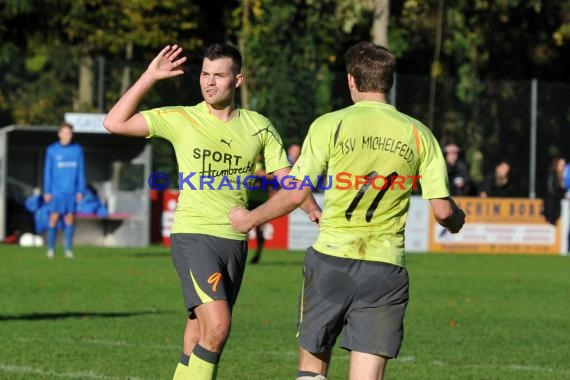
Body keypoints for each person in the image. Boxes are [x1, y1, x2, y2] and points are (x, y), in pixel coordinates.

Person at [229, 42, 465, 380]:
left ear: (351, 80)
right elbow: (443, 212)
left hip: (331, 261)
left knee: (312, 370)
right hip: (384, 269)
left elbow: (297, 193)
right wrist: (458, 219)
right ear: (390, 82)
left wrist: (249, 219)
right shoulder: (419, 134)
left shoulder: (330, 124)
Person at [103, 43, 320, 380]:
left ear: (238, 80)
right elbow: (114, 122)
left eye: (219, 75)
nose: (209, 82)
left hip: (234, 241)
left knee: (199, 331)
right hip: (194, 236)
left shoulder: (259, 126)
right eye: (205, 74)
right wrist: (150, 76)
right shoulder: (181, 118)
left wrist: (313, 209)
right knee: (218, 326)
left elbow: (286, 179)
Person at [43, 122, 86, 259]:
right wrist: (47, 191)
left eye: (70, 133)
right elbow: (47, 172)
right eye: (65, 132)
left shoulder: (77, 150)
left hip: (72, 192)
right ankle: (50, 249)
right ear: (59, 134)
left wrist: (81, 190)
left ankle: (68, 249)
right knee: (53, 219)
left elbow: (81, 171)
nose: (67, 135)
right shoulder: (52, 150)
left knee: (70, 219)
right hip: (56, 192)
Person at [543, 157, 568, 225]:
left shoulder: (563, 176)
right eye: (561, 164)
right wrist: (562, 195)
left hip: (559, 203)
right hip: (552, 204)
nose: (563, 166)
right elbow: (551, 190)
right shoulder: (552, 174)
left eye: (564, 165)